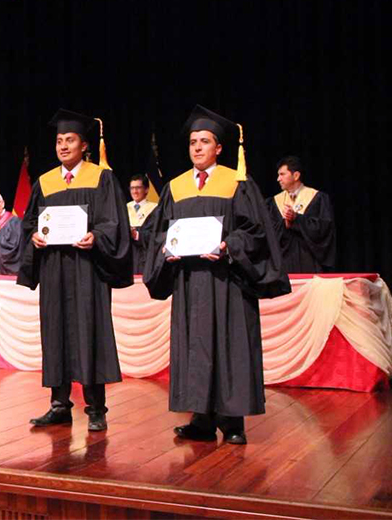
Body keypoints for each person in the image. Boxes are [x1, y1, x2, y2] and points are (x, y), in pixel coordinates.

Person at [142, 105, 290, 445]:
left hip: (228, 281)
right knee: (195, 346)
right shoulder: (175, 187)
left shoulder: (237, 183)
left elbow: (255, 232)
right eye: (193, 141)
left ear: (219, 148)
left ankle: (232, 420)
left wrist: (228, 246)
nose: (196, 147)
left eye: (204, 141)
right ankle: (201, 420)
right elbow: (158, 232)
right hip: (190, 281)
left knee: (230, 343)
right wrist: (167, 248)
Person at [18, 109, 132, 432]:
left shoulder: (101, 178)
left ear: (85, 145)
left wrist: (97, 236)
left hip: (87, 269)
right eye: (59, 141)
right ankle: (59, 404)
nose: (63, 146)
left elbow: (114, 223)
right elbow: (29, 225)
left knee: (90, 330)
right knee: (55, 332)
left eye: (70, 140)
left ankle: (96, 407)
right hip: (54, 269)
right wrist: (34, 238)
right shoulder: (46, 181)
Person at [265, 155, 336, 273]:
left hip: (310, 263)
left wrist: (297, 219)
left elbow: (324, 230)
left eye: (282, 174)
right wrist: (285, 224)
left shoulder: (317, 198)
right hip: (284, 265)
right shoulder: (273, 203)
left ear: (296, 175)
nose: (278, 179)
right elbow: (268, 233)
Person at [126, 174, 158, 275]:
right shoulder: (124, 208)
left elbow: (157, 235)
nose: (135, 191)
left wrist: (136, 235)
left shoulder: (155, 209)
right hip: (128, 254)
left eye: (138, 188)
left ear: (146, 189)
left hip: (145, 255)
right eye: (132, 188)